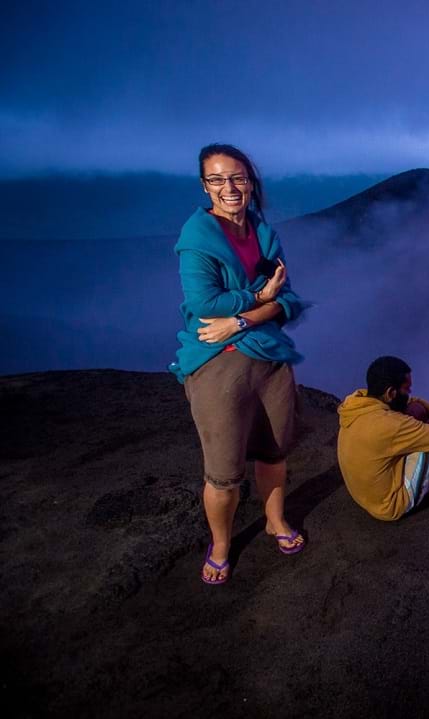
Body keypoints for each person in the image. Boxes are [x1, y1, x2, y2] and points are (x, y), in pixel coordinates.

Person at [169, 143, 307, 585]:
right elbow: (204, 305)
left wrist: (245, 316)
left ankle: (274, 520)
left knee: (273, 453)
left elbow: (289, 299)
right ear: (204, 186)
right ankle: (223, 543)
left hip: (269, 360)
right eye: (217, 179)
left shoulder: (263, 232)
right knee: (225, 473)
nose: (229, 188)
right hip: (218, 363)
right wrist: (260, 298)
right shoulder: (197, 240)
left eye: (238, 178)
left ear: (250, 182)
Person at [338, 356, 429, 521]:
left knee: (415, 409)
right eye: (406, 389)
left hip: (366, 495)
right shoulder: (388, 424)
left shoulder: (359, 402)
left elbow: (414, 402)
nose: (410, 393)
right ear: (390, 393)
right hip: (388, 505)